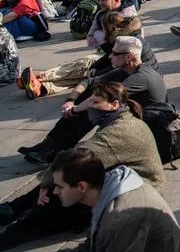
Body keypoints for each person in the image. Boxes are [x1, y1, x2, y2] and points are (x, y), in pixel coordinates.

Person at [0, 81, 166, 250]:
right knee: (60, 183)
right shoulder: (124, 117)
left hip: (135, 198)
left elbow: (74, 159)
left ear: (114, 104)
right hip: (129, 184)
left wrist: (47, 184)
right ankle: (16, 208)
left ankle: (18, 228)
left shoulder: (117, 132)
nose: (90, 107)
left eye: (95, 102)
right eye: (90, 101)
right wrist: (47, 183)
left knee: (63, 187)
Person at [20, 35, 167, 165]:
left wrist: (75, 109)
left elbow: (104, 98)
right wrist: (71, 100)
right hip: (136, 116)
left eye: (115, 54)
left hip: (150, 127)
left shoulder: (141, 76)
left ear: (129, 57)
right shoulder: (126, 70)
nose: (110, 57)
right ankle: (49, 143)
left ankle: (53, 150)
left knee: (95, 106)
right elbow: (89, 82)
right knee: (92, 93)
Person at [49, 148, 180, 252]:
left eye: (60, 187)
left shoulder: (120, 217)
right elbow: (94, 245)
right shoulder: (107, 192)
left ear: (82, 186)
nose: (55, 192)